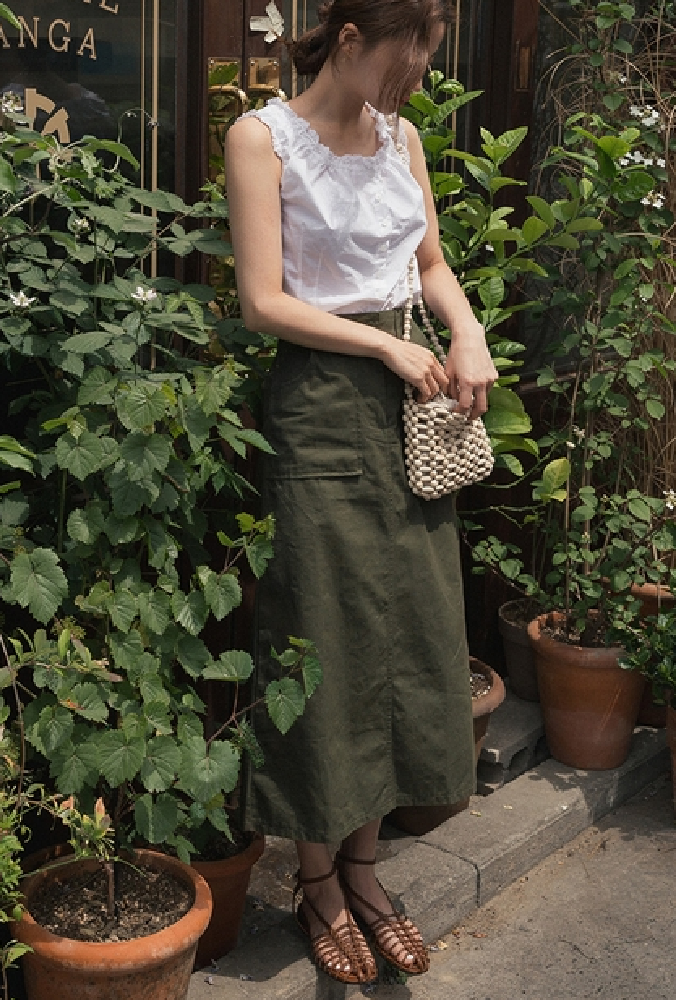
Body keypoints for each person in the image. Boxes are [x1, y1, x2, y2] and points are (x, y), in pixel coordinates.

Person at [225, 0, 497, 985]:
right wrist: (383, 345)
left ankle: (366, 868)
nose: (414, 77)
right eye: (404, 56)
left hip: (415, 409)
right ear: (349, 39)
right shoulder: (262, 139)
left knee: (411, 632)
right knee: (328, 639)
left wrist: (466, 330)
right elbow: (264, 301)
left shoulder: (402, 139)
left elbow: (429, 264)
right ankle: (317, 882)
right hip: (323, 406)